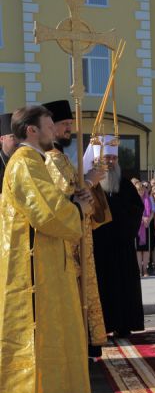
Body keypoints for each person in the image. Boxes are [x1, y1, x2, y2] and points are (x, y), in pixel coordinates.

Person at [0, 105, 95, 393]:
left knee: (56, 328)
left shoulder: (34, 162)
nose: (54, 129)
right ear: (32, 130)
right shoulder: (26, 163)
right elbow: (47, 212)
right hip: (34, 269)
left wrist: (74, 202)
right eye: (49, 124)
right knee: (42, 331)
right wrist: (77, 209)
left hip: (46, 260)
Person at [42, 99, 110, 357]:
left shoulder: (62, 158)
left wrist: (89, 185)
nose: (69, 128)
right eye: (64, 124)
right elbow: (65, 199)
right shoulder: (52, 159)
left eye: (70, 123)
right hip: (69, 243)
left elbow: (80, 197)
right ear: (50, 127)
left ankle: (84, 345)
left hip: (81, 238)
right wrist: (89, 182)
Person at [88, 137, 145, 338]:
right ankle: (103, 326)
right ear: (98, 160)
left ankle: (124, 325)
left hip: (122, 246)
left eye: (114, 158)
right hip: (100, 246)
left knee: (123, 287)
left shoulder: (126, 184)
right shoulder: (91, 185)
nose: (111, 162)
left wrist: (118, 214)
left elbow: (137, 209)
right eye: (107, 158)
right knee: (104, 286)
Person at [135, 179, 154, 277]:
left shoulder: (149, 199)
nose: (141, 191)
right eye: (139, 189)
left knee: (146, 250)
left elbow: (152, 212)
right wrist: (142, 218)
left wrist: (148, 220)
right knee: (138, 251)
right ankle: (139, 270)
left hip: (147, 226)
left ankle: (145, 270)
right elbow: (133, 212)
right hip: (137, 227)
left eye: (142, 189)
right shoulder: (134, 199)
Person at [0, 112, 20, 190]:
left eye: (19, 137)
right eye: (13, 137)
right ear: (2, 139)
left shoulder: (24, 161)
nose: (18, 142)